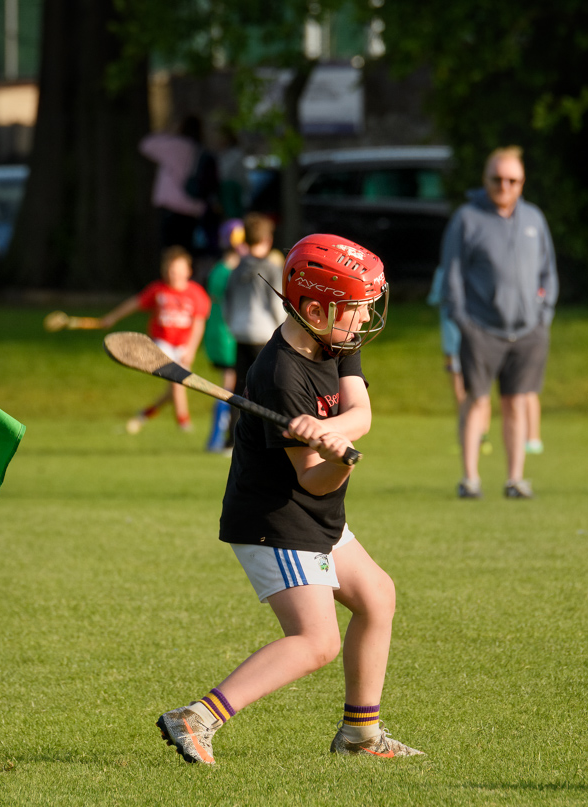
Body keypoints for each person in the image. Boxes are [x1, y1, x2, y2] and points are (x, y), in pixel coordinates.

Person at [155, 233, 423, 764]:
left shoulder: (337, 341)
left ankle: (360, 735)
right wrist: (337, 462)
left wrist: (337, 433)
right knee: (316, 640)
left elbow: (361, 412)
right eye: (354, 310)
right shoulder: (280, 375)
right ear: (314, 307)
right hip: (275, 518)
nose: (362, 320)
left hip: (315, 515)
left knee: (378, 596)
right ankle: (196, 717)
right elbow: (312, 481)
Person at [440, 145, 558, 500]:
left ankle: (515, 479)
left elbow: (548, 272)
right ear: (485, 180)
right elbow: (453, 276)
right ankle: (470, 478)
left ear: (522, 182)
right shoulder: (467, 218)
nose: (504, 186)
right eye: (497, 179)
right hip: (481, 329)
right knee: (476, 400)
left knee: (516, 402)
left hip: (528, 332)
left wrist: (543, 316)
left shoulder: (534, 219)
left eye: (513, 180)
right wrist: (464, 322)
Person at [100, 246, 210, 434]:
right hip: (161, 345)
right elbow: (134, 303)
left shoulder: (196, 293)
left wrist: (191, 350)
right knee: (178, 381)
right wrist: (111, 318)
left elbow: (199, 325)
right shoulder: (158, 290)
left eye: (177, 270)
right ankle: (184, 422)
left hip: (183, 346)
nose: (172, 274)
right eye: (169, 270)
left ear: (188, 271)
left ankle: (145, 414)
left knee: (176, 388)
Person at [224, 213, 286, 425]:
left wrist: (231, 325)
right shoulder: (270, 268)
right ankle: (268, 432)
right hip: (263, 333)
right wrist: (283, 329)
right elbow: (277, 303)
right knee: (267, 384)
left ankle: (231, 435)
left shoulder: (237, 268)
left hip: (240, 332)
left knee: (240, 385)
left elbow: (227, 300)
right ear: (267, 239)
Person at [427, 264, 491, 455]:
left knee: (477, 392)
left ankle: (481, 436)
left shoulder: (454, 270)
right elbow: (436, 298)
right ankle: (468, 437)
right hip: (453, 344)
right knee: (463, 393)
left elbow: (436, 298)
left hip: (475, 342)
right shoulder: (445, 270)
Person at [203, 219, 246, 452]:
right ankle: (220, 438)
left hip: (222, 332)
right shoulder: (227, 272)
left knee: (228, 384)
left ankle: (218, 438)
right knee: (230, 387)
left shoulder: (220, 270)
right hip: (226, 335)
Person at [139, 115, 211, 253]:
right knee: (187, 254)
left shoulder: (174, 145)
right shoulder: (199, 150)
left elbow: (146, 145)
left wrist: (167, 131)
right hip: (193, 208)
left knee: (170, 254)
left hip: (171, 209)